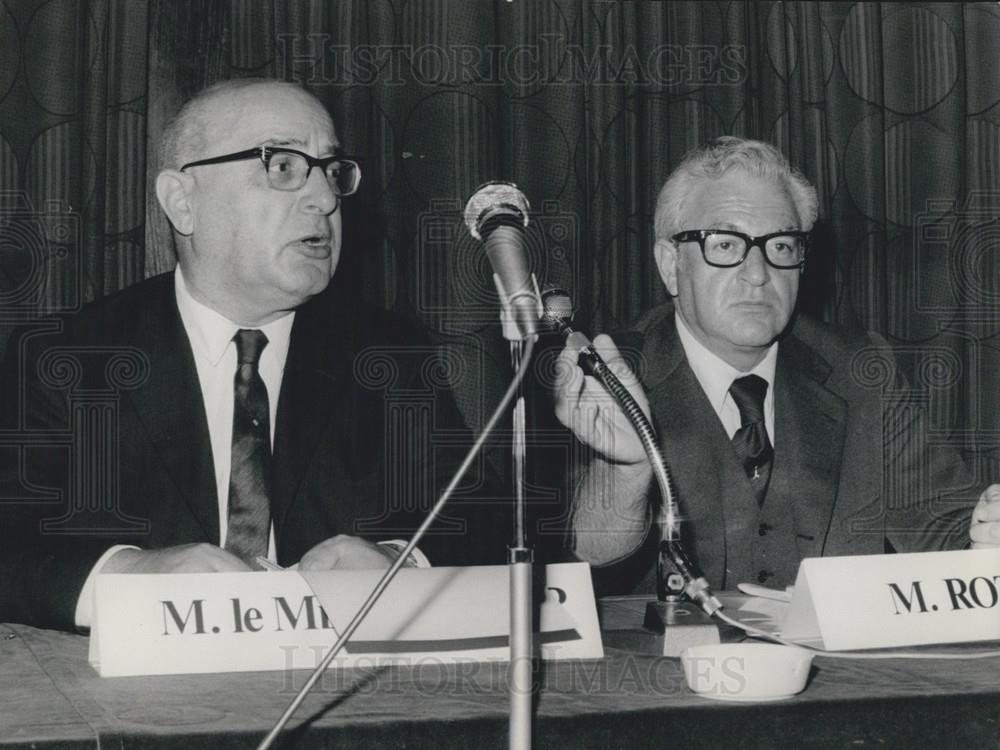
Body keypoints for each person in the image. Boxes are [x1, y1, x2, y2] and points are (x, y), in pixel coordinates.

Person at [0, 78, 505, 630]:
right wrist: (129, 577)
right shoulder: (66, 356)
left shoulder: (388, 355)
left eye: (332, 171)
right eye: (283, 166)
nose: (326, 199)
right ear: (183, 202)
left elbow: (478, 520)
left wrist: (398, 561)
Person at [555, 136, 1000, 594]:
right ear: (671, 265)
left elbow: (946, 529)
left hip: (835, 666)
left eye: (782, 246)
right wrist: (625, 470)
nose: (758, 272)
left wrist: (986, 542)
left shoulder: (862, 370)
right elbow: (580, 559)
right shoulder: (610, 374)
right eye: (725, 245)